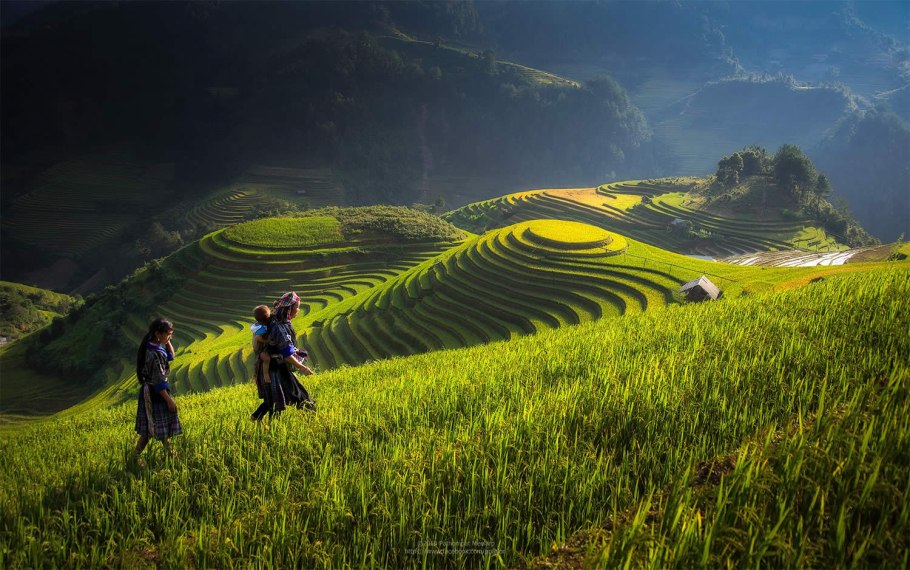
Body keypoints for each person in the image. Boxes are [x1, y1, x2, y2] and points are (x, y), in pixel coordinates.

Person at [134, 318, 181, 459]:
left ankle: (136, 457)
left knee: (153, 428)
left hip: (154, 390)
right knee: (153, 428)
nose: (170, 337)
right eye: (168, 334)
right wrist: (169, 400)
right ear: (157, 334)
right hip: (155, 393)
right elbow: (158, 381)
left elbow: (171, 356)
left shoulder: (154, 345)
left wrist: (166, 340)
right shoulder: (153, 354)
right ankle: (135, 457)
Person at [268, 291, 317, 413]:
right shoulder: (280, 327)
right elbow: (286, 353)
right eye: (297, 307)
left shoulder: (278, 322)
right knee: (302, 399)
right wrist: (303, 368)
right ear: (289, 309)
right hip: (278, 369)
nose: (299, 310)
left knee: (280, 403)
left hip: (277, 367)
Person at [250, 304, 275, 422]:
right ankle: (256, 416)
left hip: (263, 357)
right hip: (263, 357)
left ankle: (257, 417)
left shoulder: (261, 326)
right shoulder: (260, 331)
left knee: (271, 397)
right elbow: (261, 339)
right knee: (271, 396)